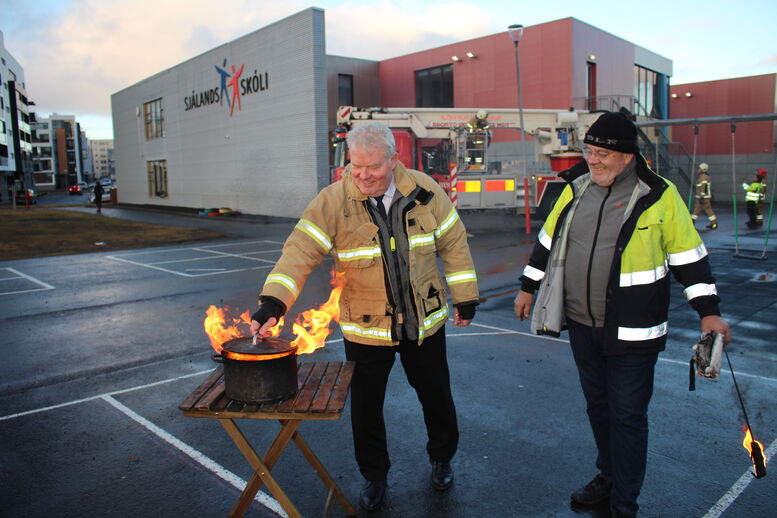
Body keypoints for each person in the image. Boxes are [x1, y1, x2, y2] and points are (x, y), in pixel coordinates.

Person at [249, 121, 479, 511]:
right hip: (366, 329)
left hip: (424, 323)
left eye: (371, 167)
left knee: (436, 396)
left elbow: (453, 243)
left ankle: (442, 459)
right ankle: (375, 476)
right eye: (355, 168)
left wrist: (465, 296)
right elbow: (300, 251)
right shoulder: (333, 201)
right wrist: (274, 300)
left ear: (394, 159)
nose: (362, 176)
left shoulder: (425, 191)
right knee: (366, 409)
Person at [513, 112, 730, 518]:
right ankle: (608, 475)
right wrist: (528, 286)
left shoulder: (659, 195)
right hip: (580, 323)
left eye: (602, 153)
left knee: (628, 415)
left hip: (635, 329)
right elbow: (548, 239)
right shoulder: (576, 186)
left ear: (627, 156)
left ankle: (624, 502)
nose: (593, 160)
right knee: (598, 407)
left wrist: (709, 312)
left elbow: (689, 259)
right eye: (589, 151)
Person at [691, 162, 717, 229]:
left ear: (703, 169)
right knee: (705, 210)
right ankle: (714, 223)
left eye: (699, 168)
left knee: (701, 209)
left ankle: (692, 223)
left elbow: (703, 187)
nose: (698, 170)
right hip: (703, 197)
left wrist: (702, 197)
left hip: (703, 197)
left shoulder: (703, 177)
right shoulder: (703, 177)